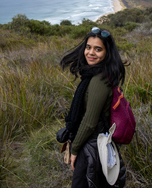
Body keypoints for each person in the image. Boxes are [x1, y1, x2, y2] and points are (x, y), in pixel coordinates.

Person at [60, 27, 127, 188]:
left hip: (92, 145)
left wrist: (74, 149)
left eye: (98, 49)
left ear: (106, 53)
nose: (91, 53)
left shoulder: (99, 80)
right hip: (95, 142)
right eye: (88, 47)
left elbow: (89, 121)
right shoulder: (97, 74)